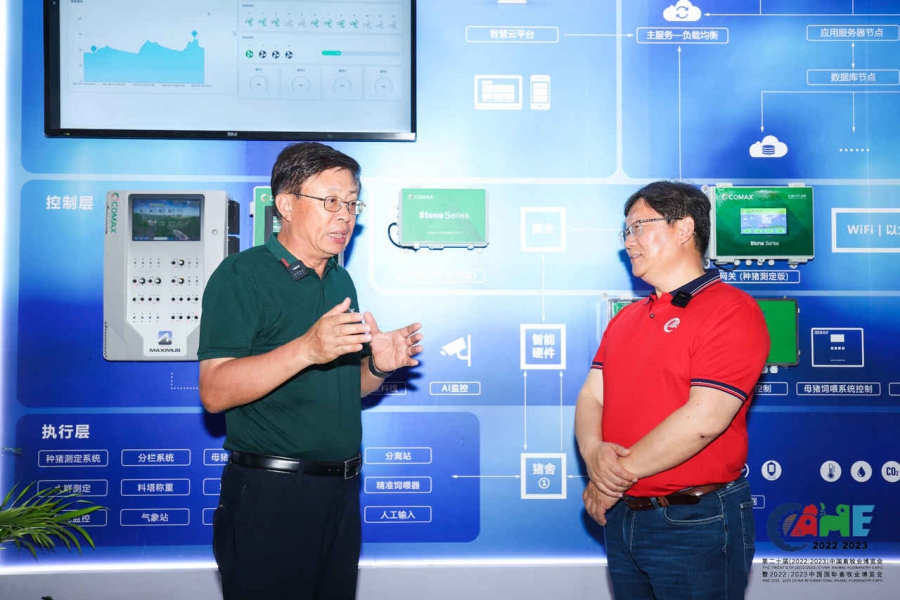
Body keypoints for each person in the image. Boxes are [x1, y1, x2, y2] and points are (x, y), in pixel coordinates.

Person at [197, 142, 423, 600]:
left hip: (341, 494)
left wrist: (378, 366)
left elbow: (343, 388)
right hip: (272, 496)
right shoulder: (242, 275)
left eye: (352, 203)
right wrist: (305, 348)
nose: (345, 216)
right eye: (331, 201)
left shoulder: (340, 280)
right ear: (285, 204)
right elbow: (214, 391)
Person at [574, 181, 769, 599]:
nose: (629, 241)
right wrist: (593, 455)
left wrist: (608, 482)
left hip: (695, 521)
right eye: (626, 231)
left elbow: (705, 419)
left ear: (684, 229)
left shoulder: (732, 310)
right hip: (625, 517)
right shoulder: (626, 319)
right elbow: (592, 396)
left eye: (639, 227)